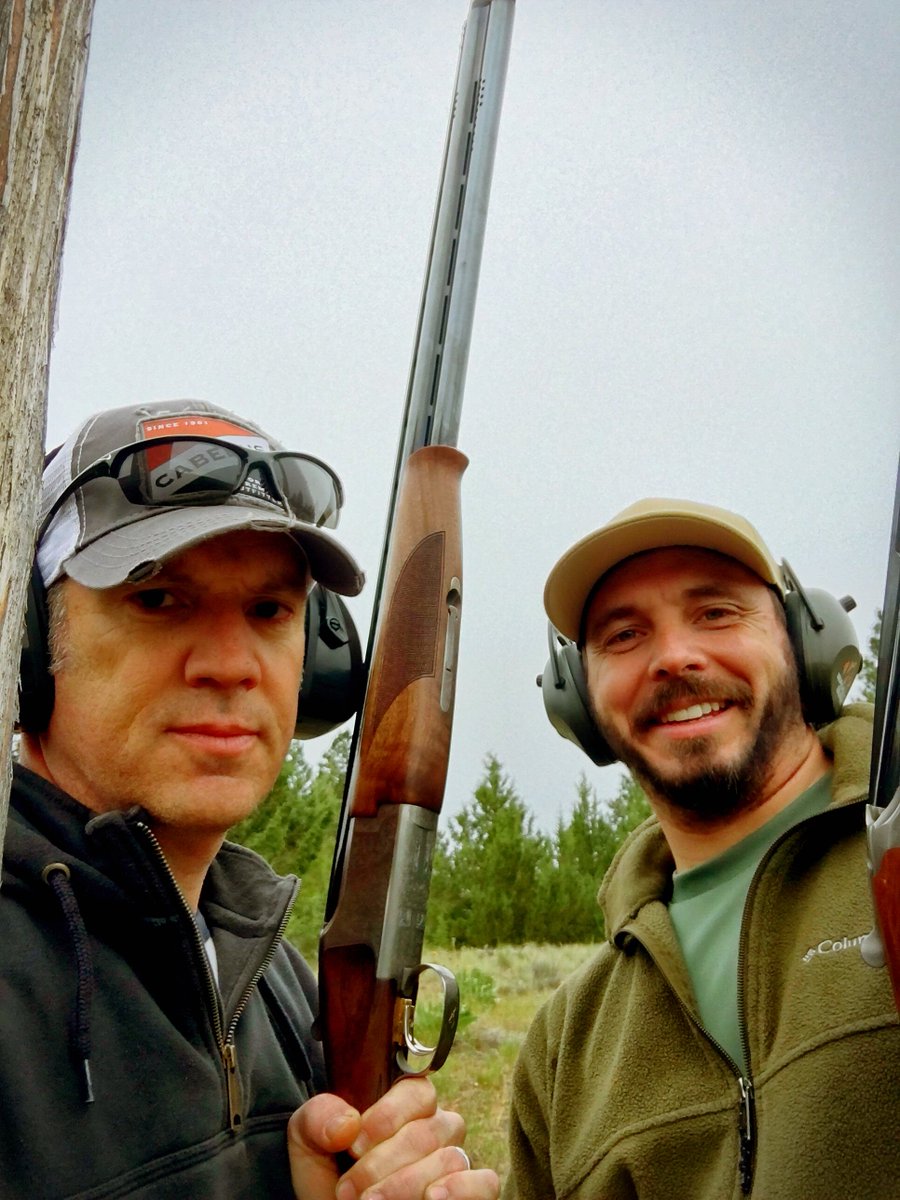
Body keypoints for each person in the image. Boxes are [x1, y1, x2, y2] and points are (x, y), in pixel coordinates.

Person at [3, 398, 498, 1200]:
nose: (232, 665)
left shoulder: (282, 988)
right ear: (28, 643)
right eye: (158, 599)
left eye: (271, 610)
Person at [505, 498, 900, 1200]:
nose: (673, 657)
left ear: (804, 640)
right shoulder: (566, 1044)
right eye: (624, 635)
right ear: (579, 704)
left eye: (716, 613)